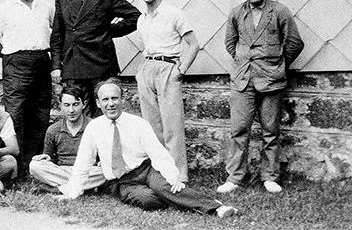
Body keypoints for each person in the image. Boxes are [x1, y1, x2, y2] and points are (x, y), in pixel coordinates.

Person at [56, 79, 238, 218]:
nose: (110, 103)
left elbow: (157, 153)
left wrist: (172, 176)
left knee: (165, 185)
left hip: (147, 170)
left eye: (114, 98)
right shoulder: (94, 128)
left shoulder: (138, 123)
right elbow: (83, 161)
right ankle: (176, 198)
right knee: (147, 200)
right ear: (98, 103)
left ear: (122, 99)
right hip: (122, 181)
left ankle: (216, 207)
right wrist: (73, 191)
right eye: (105, 100)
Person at [217, 0, 304, 194]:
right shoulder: (236, 13)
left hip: (271, 79)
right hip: (243, 80)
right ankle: (234, 177)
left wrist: (277, 64)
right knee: (239, 130)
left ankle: (270, 176)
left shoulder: (279, 11)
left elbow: (294, 43)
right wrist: (244, 60)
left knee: (270, 130)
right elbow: (230, 44)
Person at [50, 0, 141, 117]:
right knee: (77, 113)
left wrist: (107, 32)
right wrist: (56, 66)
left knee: (103, 113)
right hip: (73, 64)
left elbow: (135, 17)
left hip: (101, 63)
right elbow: (57, 34)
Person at [0, 0, 53, 174]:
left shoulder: (46, 7)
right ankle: (16, 167)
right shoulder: (5, 8)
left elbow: (56, 34)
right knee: (16, 115)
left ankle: (35, 164)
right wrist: (10, 57)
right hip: (16, 64)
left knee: (40, 114)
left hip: (41, 61)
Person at [134, 0, 199, 181]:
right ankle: (161, 173)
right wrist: (141, 73)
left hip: (168, 69)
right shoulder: (141, 19)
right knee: (152, 127)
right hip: (147, 69)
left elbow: (193, 44)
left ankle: (180, 175)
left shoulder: (173, 13)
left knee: (172, 127)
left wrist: (181, 70)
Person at [29, 86, 105, 191]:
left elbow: (102, 157)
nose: (71, 110)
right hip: (62, 170)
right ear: (61, 106)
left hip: (87, 170)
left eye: (76, 104)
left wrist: (102, 163)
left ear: (84, 104)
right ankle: (83, 186)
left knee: (105, 170)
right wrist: (46, 158)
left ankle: (60, 188)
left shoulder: (94, 126)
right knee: (35, 166)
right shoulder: (53, 130)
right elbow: (49, 157)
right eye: (67, 105)